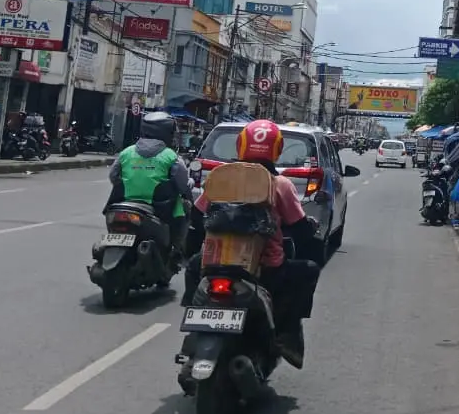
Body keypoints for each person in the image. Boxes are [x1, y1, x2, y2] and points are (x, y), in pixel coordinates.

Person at [181, 119, 322, 368]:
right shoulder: (280, 184)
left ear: (240, 146)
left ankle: (194, 319)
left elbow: (197, 215)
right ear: (277, 149)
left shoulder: (220, 178)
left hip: (214, 265)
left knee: (193, 266)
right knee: (308, 269)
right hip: (264, 271)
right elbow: (300, 229)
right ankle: (286, 334)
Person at [106, 111, 192, 261]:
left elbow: (113, 176)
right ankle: (175, 250)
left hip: (124, 203)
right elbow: (183, 185)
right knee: (185, 209)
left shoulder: (126, 152)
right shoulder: (171, 157)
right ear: (167, 133)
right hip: (160, 209)